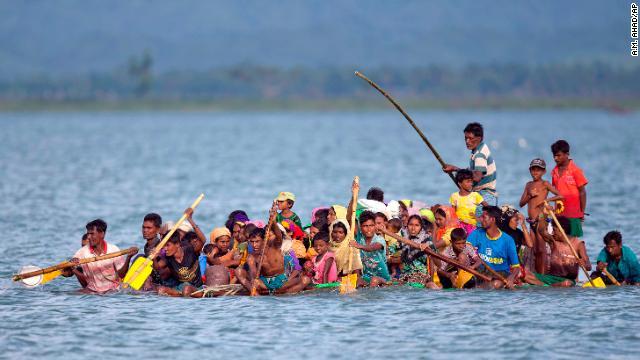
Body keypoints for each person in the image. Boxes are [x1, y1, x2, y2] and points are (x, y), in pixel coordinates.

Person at [236, 203, 309, 295]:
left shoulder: (274, 246)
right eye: (252, 242)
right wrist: (253, 281)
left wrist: (273, 221)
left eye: (257, 241)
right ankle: (263, 293)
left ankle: (276, 292)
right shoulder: (252, 257)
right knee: (240, 272)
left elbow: (278, 235)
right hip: (266, 282)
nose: (254, 245)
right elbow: (254, 277)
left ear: (263, 240)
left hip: (282, 280)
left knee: (305, 280)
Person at [63, 219, 138, 293]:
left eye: (92, 234)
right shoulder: (82, 252)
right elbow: (67, 274)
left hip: (112, 290)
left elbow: (122, 275)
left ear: (102, 234)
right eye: (88, 234)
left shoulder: (113, 250)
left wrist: (128, 258)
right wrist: (71, 265)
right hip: (92, 290)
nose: (88, 237)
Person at [443, 122, 498, 211]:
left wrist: (455, 169)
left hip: (485, 195)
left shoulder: (479, 154)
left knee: (480, 223)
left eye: (471, 138)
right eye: (466, 138)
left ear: (479, 138)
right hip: (483, 194)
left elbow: (476, 177)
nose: (467, 141)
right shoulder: (480, 149)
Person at [524, 216, 590, 287]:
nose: (552, 232)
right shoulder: (553, 241)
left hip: (568, 280)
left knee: (567, 283)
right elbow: (541, 231)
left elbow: (589, 267)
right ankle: (548, 285)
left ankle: (545, 286)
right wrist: (543, 215)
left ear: (562, 230)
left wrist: (584, 264)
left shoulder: (579, 244)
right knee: (525, 275)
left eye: (554, 230)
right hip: (550, 278)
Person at [467, 206, 520, 289]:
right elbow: (467, 246)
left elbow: (516, 266)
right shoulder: (477, 233)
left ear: (493, 219)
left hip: (501, 273)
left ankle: (478, 288)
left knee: (495, 284)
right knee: (462, 257)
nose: (480, 219)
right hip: (482, 272)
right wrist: (476, 258)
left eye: (484, 217)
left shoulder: (508, 240)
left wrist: (511, 278)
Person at [550, 140, 588, 237]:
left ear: (567, 154)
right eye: (554, 155)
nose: (555, 158)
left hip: (574, 213)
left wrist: (581, 212)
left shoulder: (575, 170)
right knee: (559, 239)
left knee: (574, 240)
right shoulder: (554, 172)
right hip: (559, 213)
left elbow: (582, 192)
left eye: (558, 155)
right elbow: (556, 192)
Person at [350, 210, 391, 287]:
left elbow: (373, 247)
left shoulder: (379, 240)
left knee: (374, 280)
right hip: (366, 277)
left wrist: (359, 246)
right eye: (365, 226)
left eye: (371, 225)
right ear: (361, 227)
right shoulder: (359, 238)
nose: (369, 229)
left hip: (383, 278)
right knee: (356, 282)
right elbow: (350, 219)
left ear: (375, 226)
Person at [399, 215, 437, 287]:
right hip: (404, 276)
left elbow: (434, 261)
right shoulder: (402, 238)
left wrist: (431, 280)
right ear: (407, 225)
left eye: (417, 225)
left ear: (421, 227)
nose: (413, 228)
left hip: (420, 276)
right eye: (411, 225)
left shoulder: (426, 240)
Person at [160, 232, 203, 297]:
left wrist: (191, 221)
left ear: (177, 244)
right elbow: (158, 266)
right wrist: (154, 258)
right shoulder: (167, 257)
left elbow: (203, 240)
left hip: (197, 287)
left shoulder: (190, 249)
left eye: (167, 245)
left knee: (186, 289)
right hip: (181, 287)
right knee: (161, 290)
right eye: (164, 246)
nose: (165, 249)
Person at [450, 169, 486, 235]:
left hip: (472, 227)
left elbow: (487, 207)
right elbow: (453, 213)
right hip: (459, 226)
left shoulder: (475, 195)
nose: (471, 184)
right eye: (468, 182)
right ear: (460, 183)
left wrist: (478, 218)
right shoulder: (454, 196)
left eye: (471, 181)